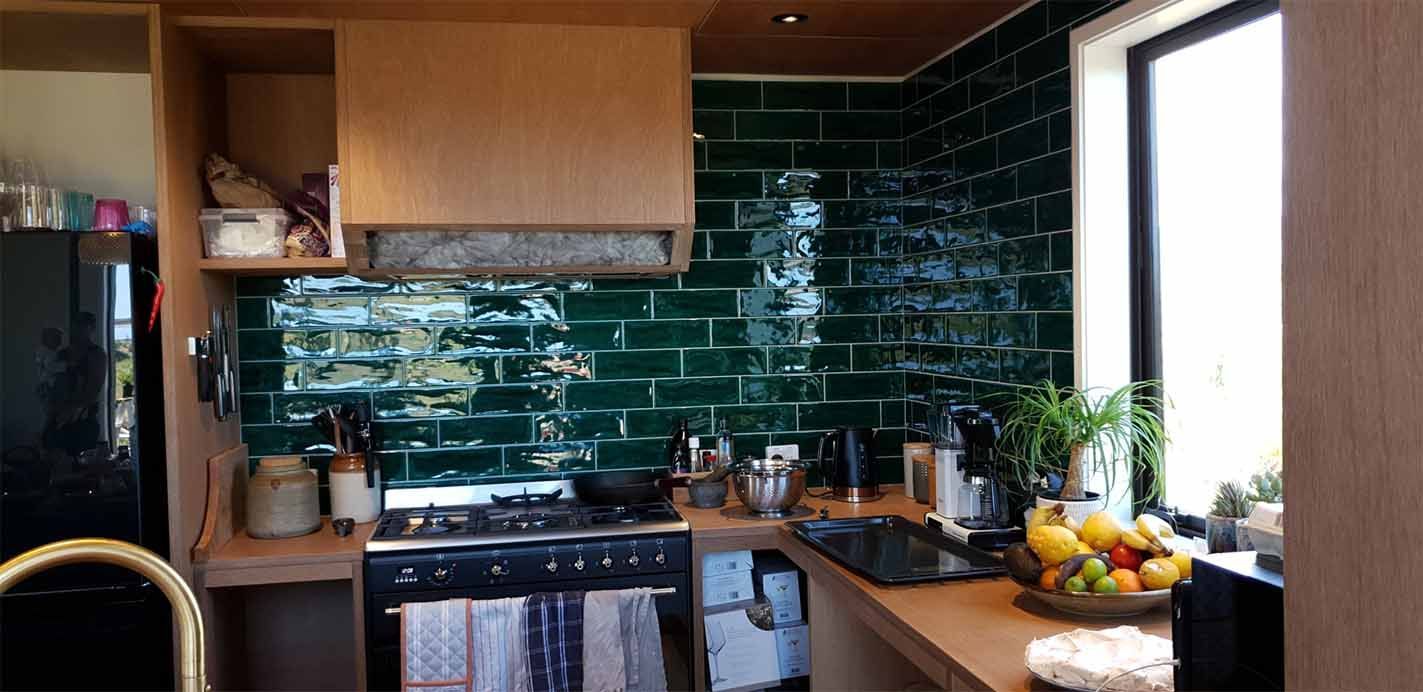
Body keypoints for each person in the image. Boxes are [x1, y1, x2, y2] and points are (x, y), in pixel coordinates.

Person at [42, 312, 107, 458]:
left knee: (81, 470)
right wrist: (51, 416)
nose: (79, 330)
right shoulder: (62, 354)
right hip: (58, 419)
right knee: (55, 466)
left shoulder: (96, 354)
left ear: (91, 329)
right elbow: (54, 384)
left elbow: (93, 390)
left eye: (84, 326)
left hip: (82, 423)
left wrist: (73, 409)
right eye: (76, 325)